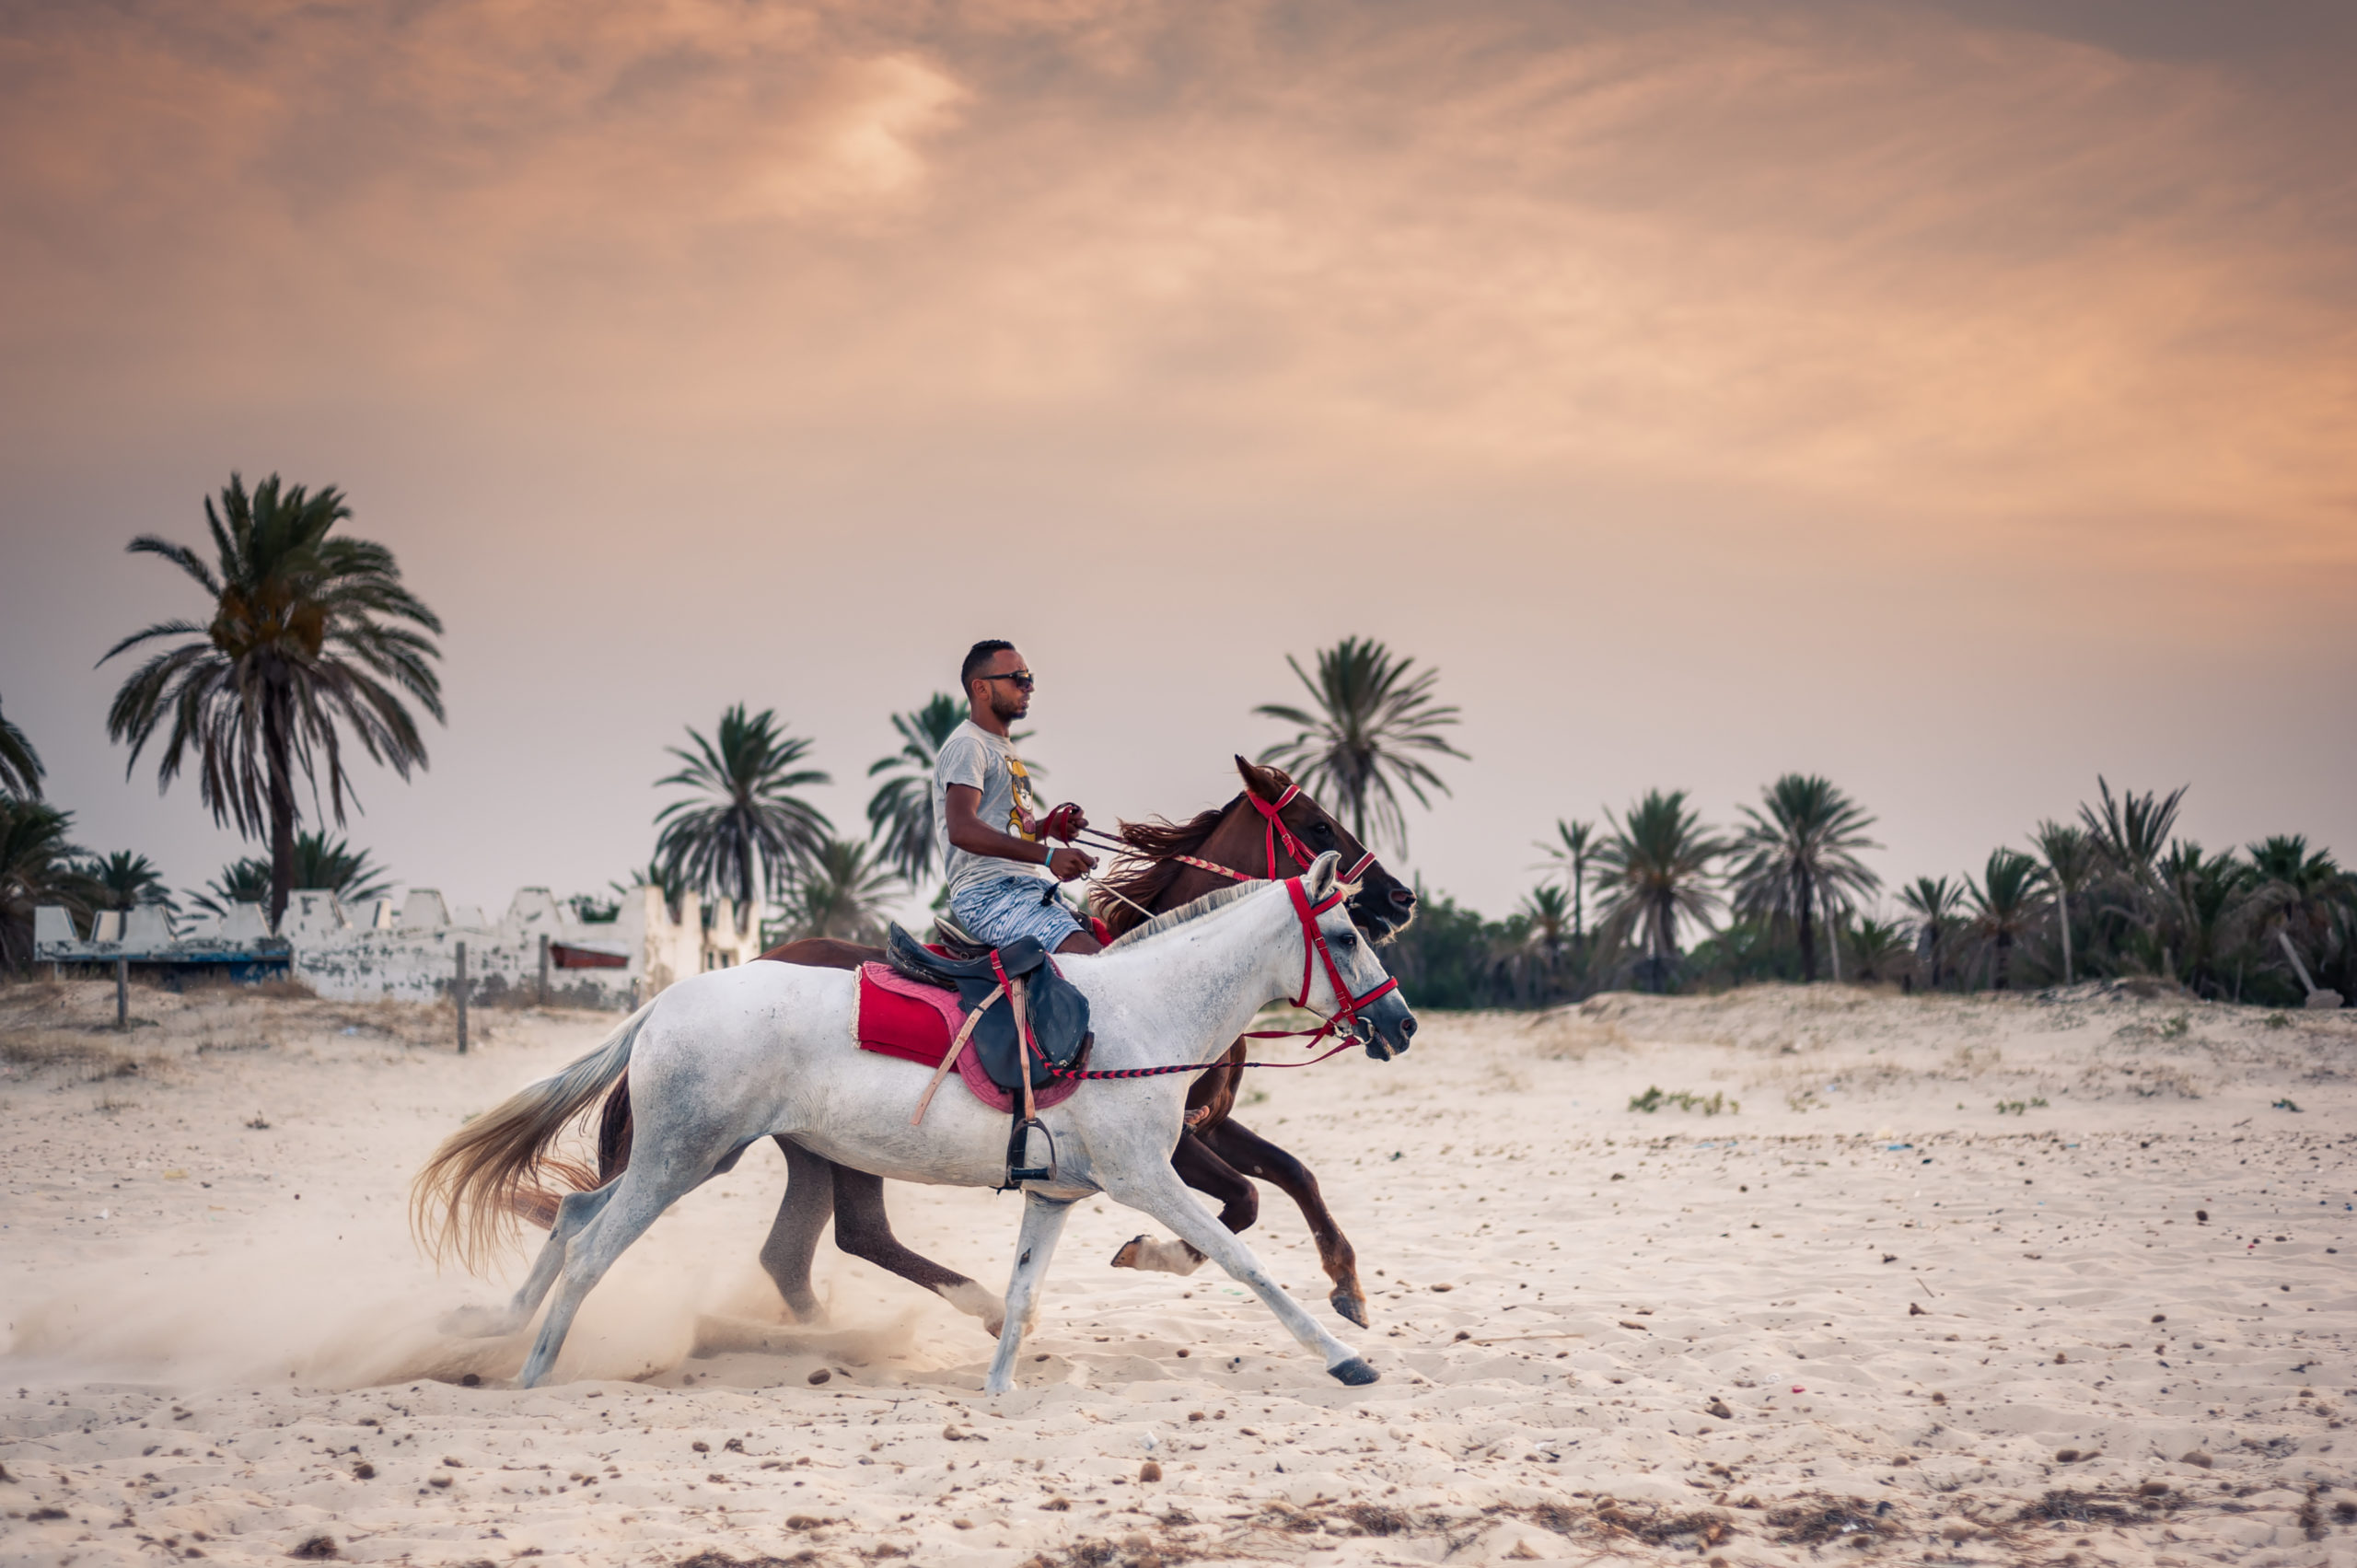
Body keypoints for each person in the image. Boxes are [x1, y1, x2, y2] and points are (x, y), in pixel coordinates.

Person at [935, 640, 1103, 956]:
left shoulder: (1001, 748)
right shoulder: (969, 746)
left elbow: (1000, 830)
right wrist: (1049, 857)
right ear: (981, 689)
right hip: (988, 893)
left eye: (1030, 679)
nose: (1029, 688)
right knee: (1093, 961)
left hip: (1023, 889)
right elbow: (962, 829)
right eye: (1018, 679)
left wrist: (1045, 828)